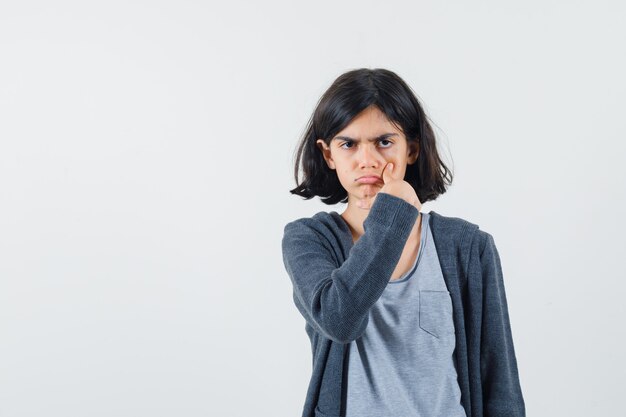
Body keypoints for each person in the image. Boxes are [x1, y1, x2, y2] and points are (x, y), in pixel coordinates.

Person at [281, 68, 525, 417]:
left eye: (384, 142)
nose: (368, 160)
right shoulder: (309, 241)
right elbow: (340, 320)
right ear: (328, 155)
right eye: (348, 144)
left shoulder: (468, 247)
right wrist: (393, 211)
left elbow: (499, 381)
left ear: (411, 149)